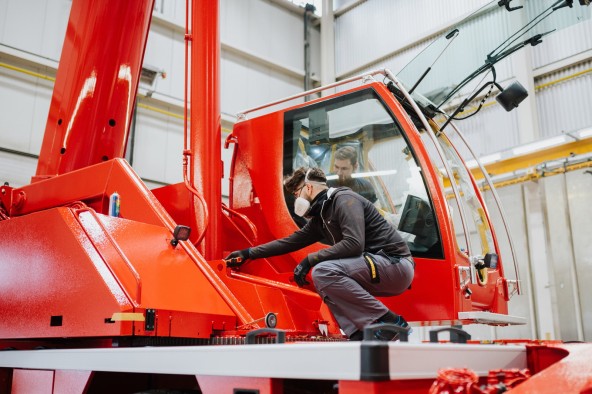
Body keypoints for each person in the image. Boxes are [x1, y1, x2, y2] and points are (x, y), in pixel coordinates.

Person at [224, 166, 414, 341]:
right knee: (322, 280)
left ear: (308, 188)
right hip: (377, 267)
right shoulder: (321, 216)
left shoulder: (345, 200)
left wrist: (311, 258)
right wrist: (248, 253)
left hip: (394, 263)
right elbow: (289, 242)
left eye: (296, 193)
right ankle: (358, 333)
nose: (295, 199)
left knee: (323, 271)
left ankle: (390, 323)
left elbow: (354, 243)